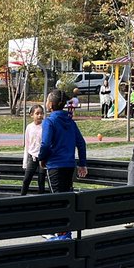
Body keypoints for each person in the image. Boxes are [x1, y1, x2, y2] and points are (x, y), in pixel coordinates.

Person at [38, 89, 88, 241]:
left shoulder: (50, 121)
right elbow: (81, 143)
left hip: (55, 165)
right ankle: (65, 231)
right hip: (69, 165)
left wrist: (41, 158)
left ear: (51, 104)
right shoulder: (70, 121)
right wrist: (82, 164)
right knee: (66, 199)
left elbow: (45, 144)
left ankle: (62, 234)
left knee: (57, 200)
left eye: (47, 100)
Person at [20, 104, 46, 195]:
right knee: (26, 180)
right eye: (37, 113)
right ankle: (21, 198)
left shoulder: (45, 126)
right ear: (32, 115)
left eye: (41, 113)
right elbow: (27, 145)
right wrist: (25, 161)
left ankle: (40, 199)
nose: (39, 115)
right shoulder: (29, 127)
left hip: (43, 158)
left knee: (41, 181)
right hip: (32, 157)